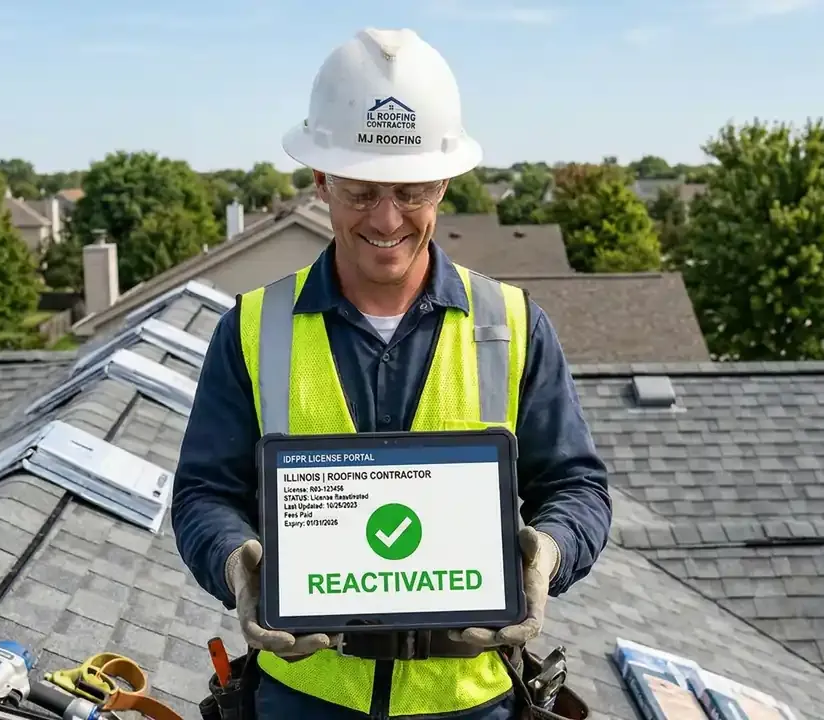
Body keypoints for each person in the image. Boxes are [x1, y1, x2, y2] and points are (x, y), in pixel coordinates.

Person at [173, 27, 612, 720]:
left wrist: (548, 554)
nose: (386, 219)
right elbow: (203, 494)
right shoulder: (255, 329)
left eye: (411, 192)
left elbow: (576, 487)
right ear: (321, 180)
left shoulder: (513, 323)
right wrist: (237, 563)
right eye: (360, 191)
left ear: (444, 183)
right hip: (305, 699)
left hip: (475, 702)